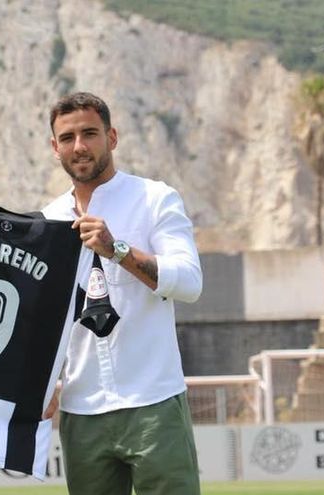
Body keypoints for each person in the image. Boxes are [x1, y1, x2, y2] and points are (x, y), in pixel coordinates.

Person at [41, 92, 203, 495]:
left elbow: (189, 283)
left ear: (112, 137)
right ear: (54, 147)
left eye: (89, 133)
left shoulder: (155, 199)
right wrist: (42, 388)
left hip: (154, 402)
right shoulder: (47, 221)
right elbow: (44, 323)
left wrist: (118, 250)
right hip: (82, 410)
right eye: (67, 137)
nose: (79, 146)